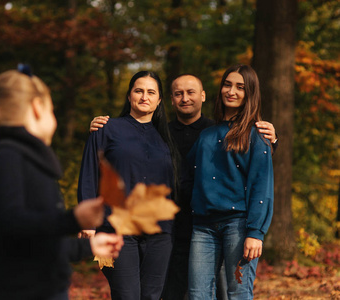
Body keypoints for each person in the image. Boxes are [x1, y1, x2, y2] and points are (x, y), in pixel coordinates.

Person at [89, 74, 277, 300]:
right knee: (175, 292)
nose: (185, 98)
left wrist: (273, 141)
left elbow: (257, 173)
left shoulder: (216, 130)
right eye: (178, 93)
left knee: (229, 291)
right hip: (176, 229)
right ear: (169, 99)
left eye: (191, 93)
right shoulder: (159, 133)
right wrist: (100, 128)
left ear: (203, 96)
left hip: (223, 224)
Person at [0, 67, 124, 300]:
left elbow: (37, 240)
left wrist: (89, 247)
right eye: (52, 109)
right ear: (36, 107)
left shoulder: (30, 160)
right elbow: (13, 226)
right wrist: (74, 219)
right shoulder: (10, 156)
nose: (54, 117)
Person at [77, 70, 179, 300]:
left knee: (152, 296)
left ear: (159, 100)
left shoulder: (166, 136)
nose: (145, 96)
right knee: (126, 295)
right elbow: (90, 174)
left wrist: (271, 141)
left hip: (159, 232)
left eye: (151, 92)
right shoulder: (106, 129)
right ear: (129, 95)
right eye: (139, 91)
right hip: (114, 229)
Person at [186, 64, 274, 299]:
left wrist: (256, 232)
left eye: (240, 87)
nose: (231, 91)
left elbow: (261, 186)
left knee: (238, 293)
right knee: (198, 294)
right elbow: (185, 176)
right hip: (202, 227)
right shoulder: (206, 135)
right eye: (227, 84)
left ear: (250, 94)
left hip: (238, 224)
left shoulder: (257, 135)